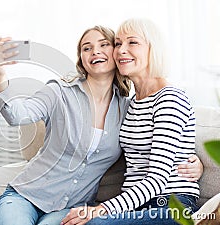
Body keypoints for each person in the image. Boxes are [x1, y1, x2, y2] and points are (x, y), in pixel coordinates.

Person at [0, 25, 202, 225]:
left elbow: (157, 138)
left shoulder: (128, 109)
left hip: (73, 206)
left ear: (116, 55)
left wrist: (196, 162)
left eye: (104, 45)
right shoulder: (59, 93)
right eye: (87, 48)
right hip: (26, 195)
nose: (95, 51)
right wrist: (0, 71)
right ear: (81, 59)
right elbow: (16, 115)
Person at [62, 18, 201, 225]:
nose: (121, 51)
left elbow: (157, 179)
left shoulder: (169, 98)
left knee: (93, 223)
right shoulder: (132, 103)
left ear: (153, 49)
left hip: (171, 204)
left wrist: (101, 209)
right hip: (136, 205)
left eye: (132, 43)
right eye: (118, 44)